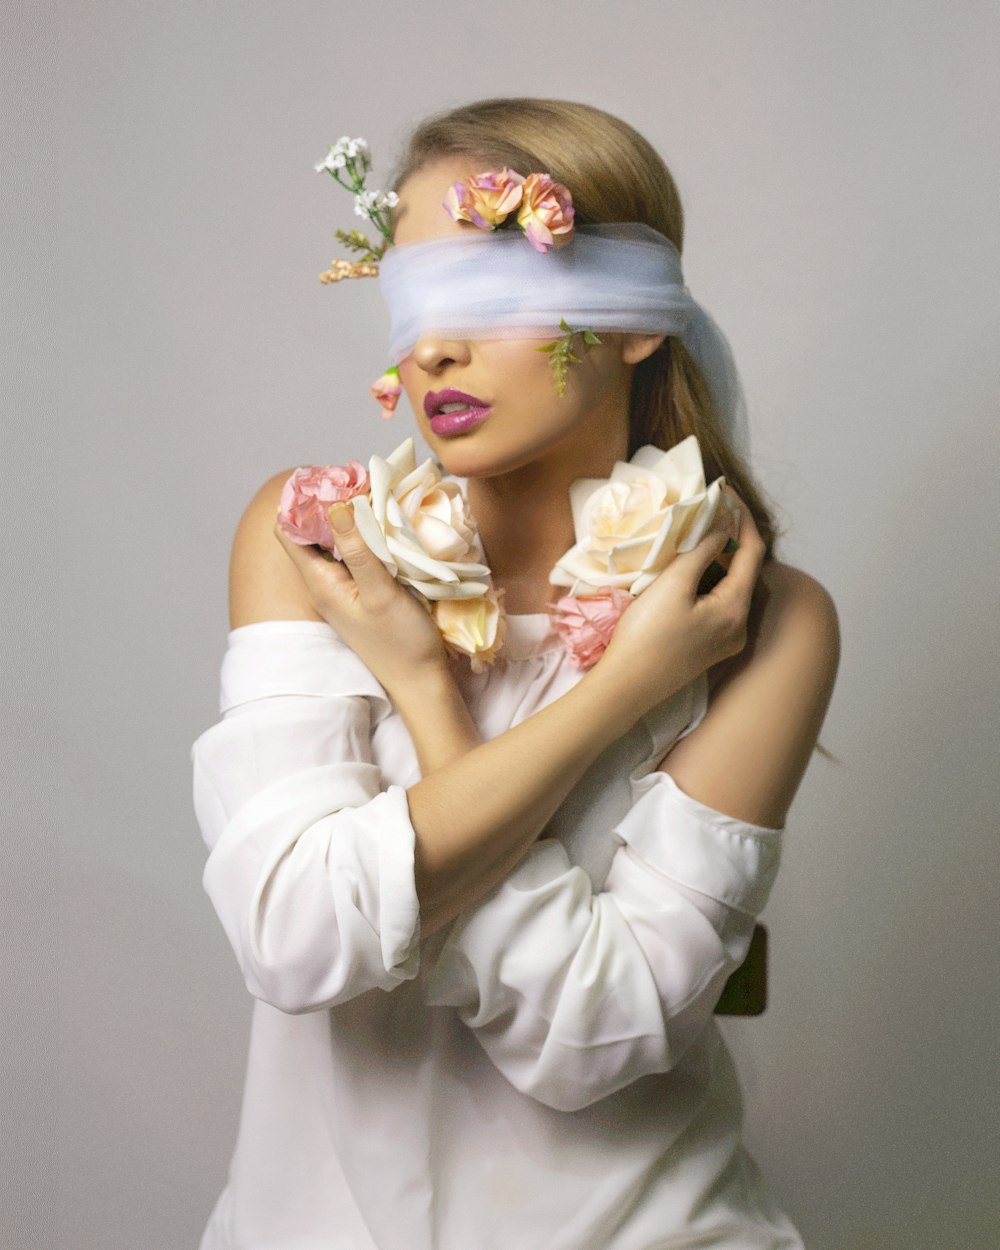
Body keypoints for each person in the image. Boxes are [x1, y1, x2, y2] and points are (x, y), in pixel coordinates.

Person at [191, 97, 839, 1250]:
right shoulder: (316, 545)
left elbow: (598, 1036)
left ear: (639, 321)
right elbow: (293, 933)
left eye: (487, 291)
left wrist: (437, 705)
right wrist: (612, 698)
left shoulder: (760, 621)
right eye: (411, 298)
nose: (431, 345)